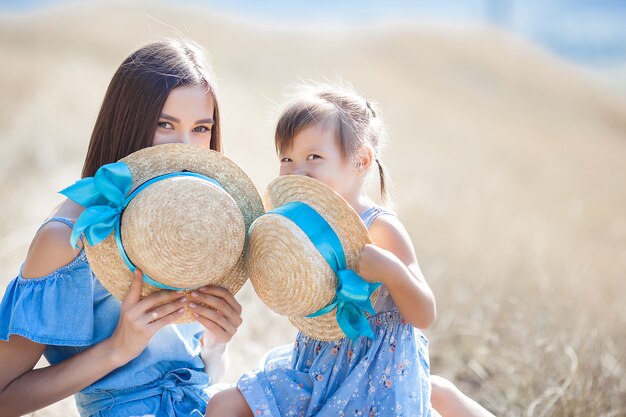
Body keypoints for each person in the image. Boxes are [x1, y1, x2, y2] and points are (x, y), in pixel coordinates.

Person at [206, 83, 495, 417]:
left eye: (313, 157)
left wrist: (390, 269)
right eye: (287, 158)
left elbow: (424, 313)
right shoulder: (297, 224)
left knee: (435, 394)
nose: (297, 170)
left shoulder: (379, 228)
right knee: (222, 406)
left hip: (376, 375)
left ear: (360, 161)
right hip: (316, 366)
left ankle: (440, 397)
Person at [0, 39, 245, 417]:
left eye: (200, 128)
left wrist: (216, 343)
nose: (184, 147)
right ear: (128, 121)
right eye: (165, 125)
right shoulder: (69, 235)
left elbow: (202, 373)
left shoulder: (197, 217)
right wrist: (117, 349)